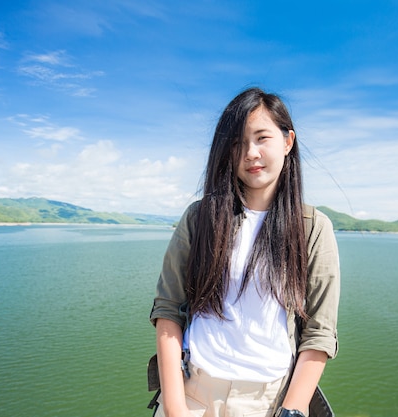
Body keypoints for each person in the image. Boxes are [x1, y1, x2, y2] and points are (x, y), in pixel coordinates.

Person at [150, 87, 340, 417]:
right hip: (193, 392)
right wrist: (175, 408)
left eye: (262, 137)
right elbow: (168, 310)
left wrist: (292, 411)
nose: (250, 153)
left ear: (287, 141)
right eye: (237, 143)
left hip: (269, 403)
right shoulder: (199, 218)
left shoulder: (313, 227)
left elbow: (319, 334)